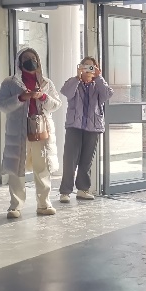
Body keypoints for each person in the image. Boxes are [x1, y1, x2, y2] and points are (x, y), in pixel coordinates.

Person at [0, 48, 62, 218]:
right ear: (19, 62)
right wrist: (20, 98)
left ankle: (44, 204)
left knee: (43, 167)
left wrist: (43, 97)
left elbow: (56, 104)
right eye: (26, 58)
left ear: (38, 61)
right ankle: (15, 206)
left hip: (41, 130)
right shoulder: (9, 83)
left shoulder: (46, 83)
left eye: (33, 57)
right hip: (18, 131)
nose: (30, 60)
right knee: (16, 168)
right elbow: (1, 104)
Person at [58, 57, 113, 202]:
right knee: (70, 160)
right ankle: (65, 191)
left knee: (86, 160)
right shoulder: (74, 82)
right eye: (86, 66)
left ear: (96, 69)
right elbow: (66, 92)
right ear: (80, 67)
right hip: (74, 126)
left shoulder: (98, 84)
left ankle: (83, 190)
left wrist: (99, 78)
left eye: (91, 67)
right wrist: (77, 78)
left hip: (93, 127)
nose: (88, 69)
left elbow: (108, 94)